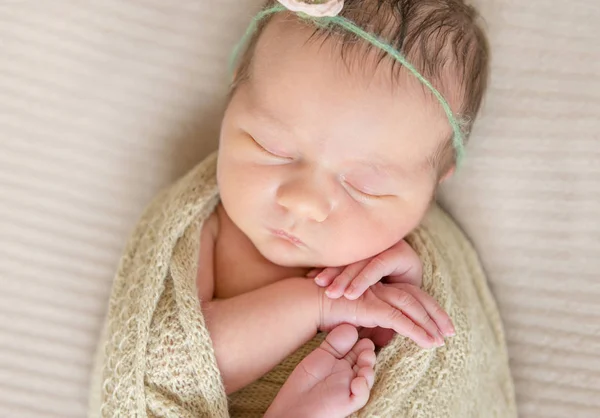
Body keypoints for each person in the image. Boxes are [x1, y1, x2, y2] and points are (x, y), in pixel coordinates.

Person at [195, 0, 489, 416]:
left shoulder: (400, 255)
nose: (304, 202)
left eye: (362, 187)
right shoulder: (207, 228)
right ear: (233, 96)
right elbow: (181, 358)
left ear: (432, 188)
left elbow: (441, 368)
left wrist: (408, 298)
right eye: (270, 147)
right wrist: (320, 304)